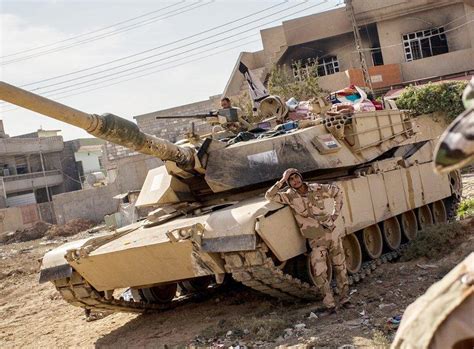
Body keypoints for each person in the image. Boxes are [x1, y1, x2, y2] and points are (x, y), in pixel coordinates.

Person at [265, 168, 349, 311]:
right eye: (291, 180)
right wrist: (281, 181)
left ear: (301, 177)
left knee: (340, 267)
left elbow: (337, 192)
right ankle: (330, 303)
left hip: (331, 233)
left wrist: (336, 214)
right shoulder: (289, 196)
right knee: (319, 272)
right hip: (315, 239)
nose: (295, 181)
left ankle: (345, 298)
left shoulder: (316, 188)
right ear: (288, 182)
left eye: (296, 177)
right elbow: (269, 196)